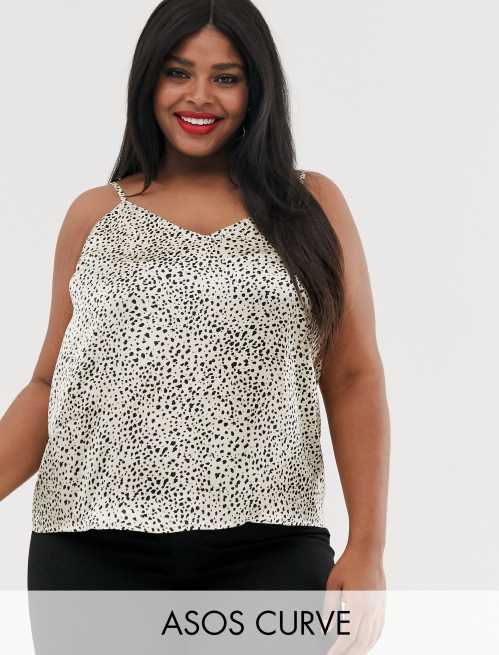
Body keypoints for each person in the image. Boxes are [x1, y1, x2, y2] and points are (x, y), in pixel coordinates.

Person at [0, 0, 389, 600]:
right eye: (178, 72)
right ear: (148, 80)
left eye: (225, 77)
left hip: (269, 548)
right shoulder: (96, 215)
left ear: (257, 90)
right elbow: (49, 386)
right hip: (90, 550)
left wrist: (368, 548)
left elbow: (353, 375)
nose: (199, 96)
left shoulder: (310, 205)